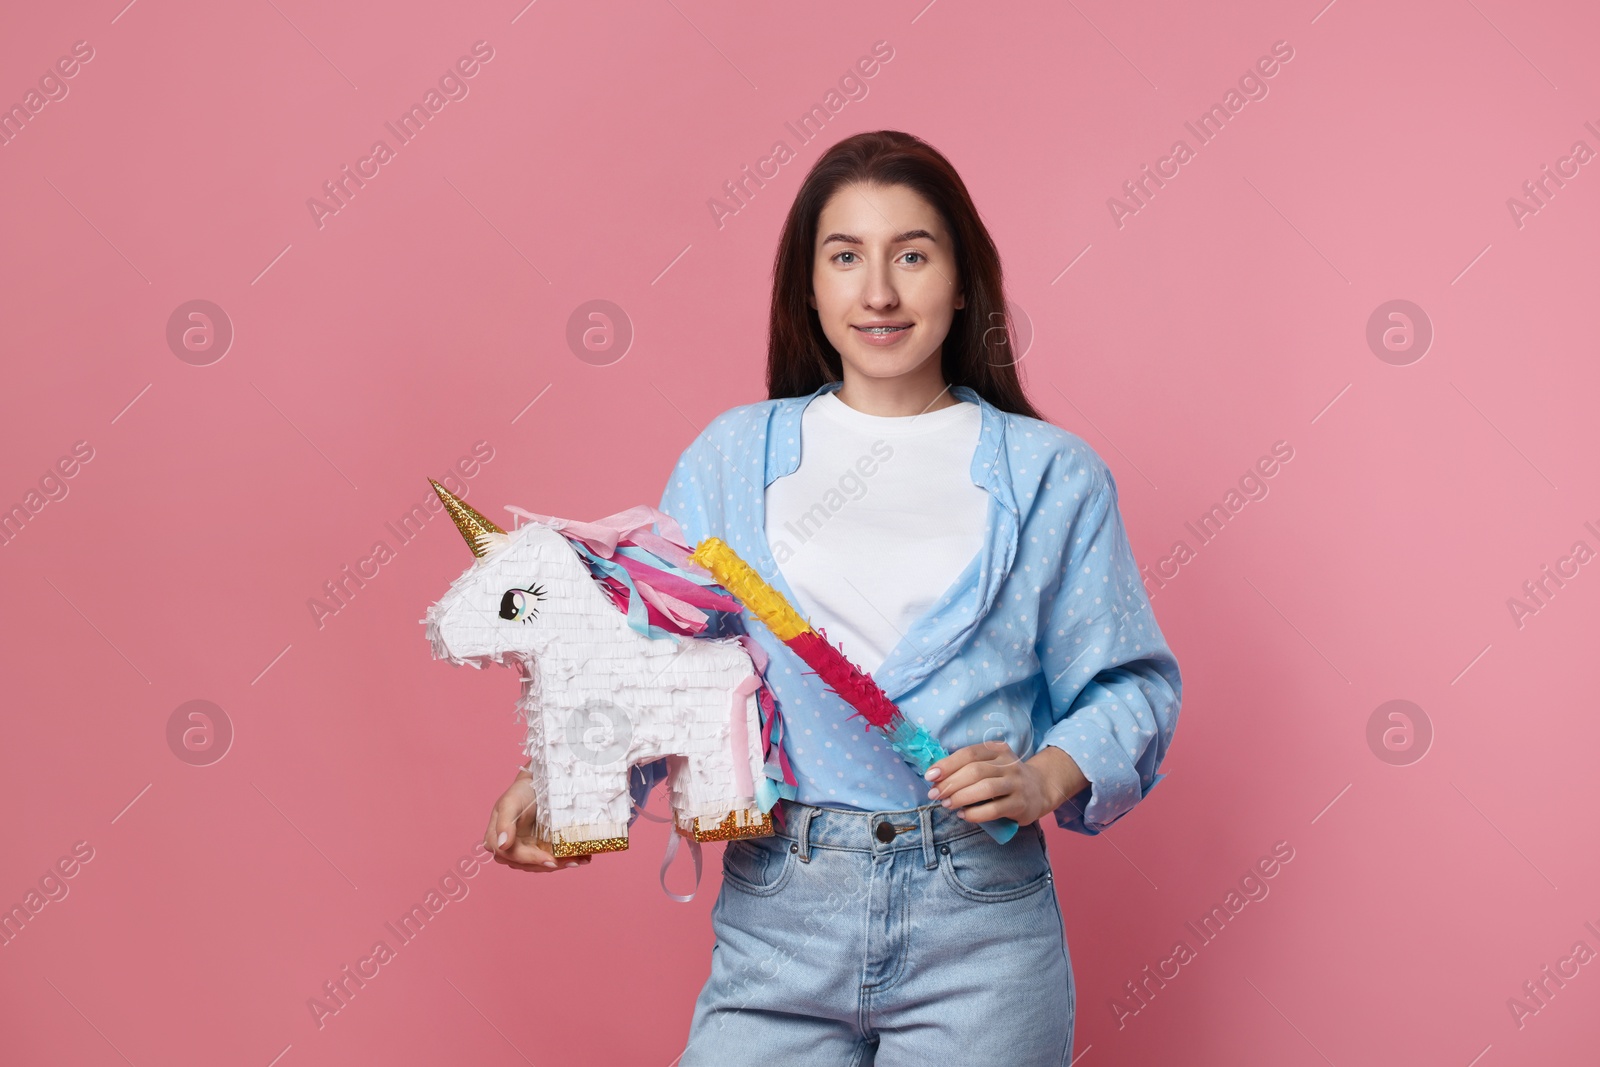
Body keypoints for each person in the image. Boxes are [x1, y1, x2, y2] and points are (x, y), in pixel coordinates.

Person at [483, 129, 1183, 1065]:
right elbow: (668, 663)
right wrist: (571, 773)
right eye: (846, 256)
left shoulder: (1054, 475)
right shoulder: (733, 456)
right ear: (809, 287)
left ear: (964, 279)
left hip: (981, 925)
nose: (879, 291)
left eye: (913, 255)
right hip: (779, 913)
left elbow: (1131, 685)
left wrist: (1045, 775)